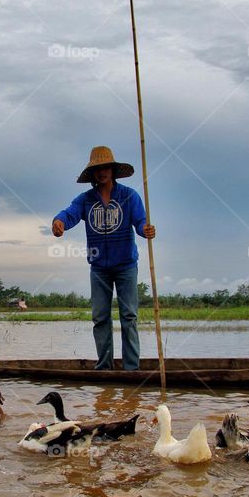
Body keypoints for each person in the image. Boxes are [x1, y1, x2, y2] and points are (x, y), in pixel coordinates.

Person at [52, 146, 156, 370]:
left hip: (126, 264)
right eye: (97, 169)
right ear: (93, 174)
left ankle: (131, 368)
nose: (102, 172)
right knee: (100, 318)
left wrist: (145, 229)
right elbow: (69, 214)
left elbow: (140, 222)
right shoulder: (86, 199)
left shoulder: (129, 196)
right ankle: (105, 368)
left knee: (129, 317)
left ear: (113, 170)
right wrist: (59, 222)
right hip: (99, 267)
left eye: (106, 167)